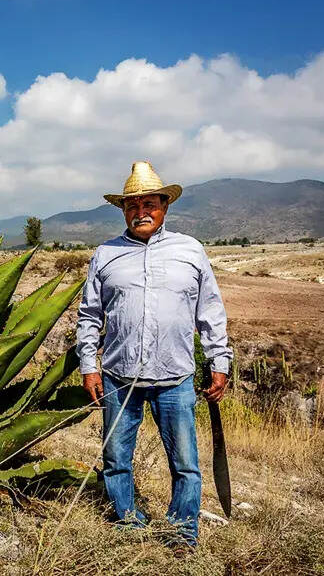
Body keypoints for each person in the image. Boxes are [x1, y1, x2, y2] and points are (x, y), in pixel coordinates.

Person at [76, 161, 232, 550]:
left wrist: (220, 362)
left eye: (149, 203)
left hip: (174, 377)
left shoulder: (190, 251)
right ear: (123, 210)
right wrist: (88, 366)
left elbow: (210, 311)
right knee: (116, 458)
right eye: (132, 205)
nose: (140, 211)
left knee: (185, 463)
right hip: (118, 376)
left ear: (165, 206)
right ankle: (129, 520)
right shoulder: (106, 254)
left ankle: (182, 530)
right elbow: (90, 315)